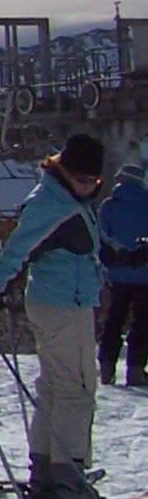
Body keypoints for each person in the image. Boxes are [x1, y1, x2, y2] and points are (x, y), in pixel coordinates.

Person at [0, 133, 112, 499]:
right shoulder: (54, 205)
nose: (90, 187)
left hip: (57, 301)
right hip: (63, 306)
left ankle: (45, 475)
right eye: (84, 180)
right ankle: (69, 481)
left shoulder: (62, 197)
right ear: (65, 170)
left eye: (95, 182)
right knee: (76, 389)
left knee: (55, 389)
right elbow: (20, 247)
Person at [99, 159, 148, 388]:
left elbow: (100, 239)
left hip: (116, 274)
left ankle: (106, 371)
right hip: (144, 275)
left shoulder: (109, 206)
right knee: (141, 324)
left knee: (113, 321)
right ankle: (136, 371)